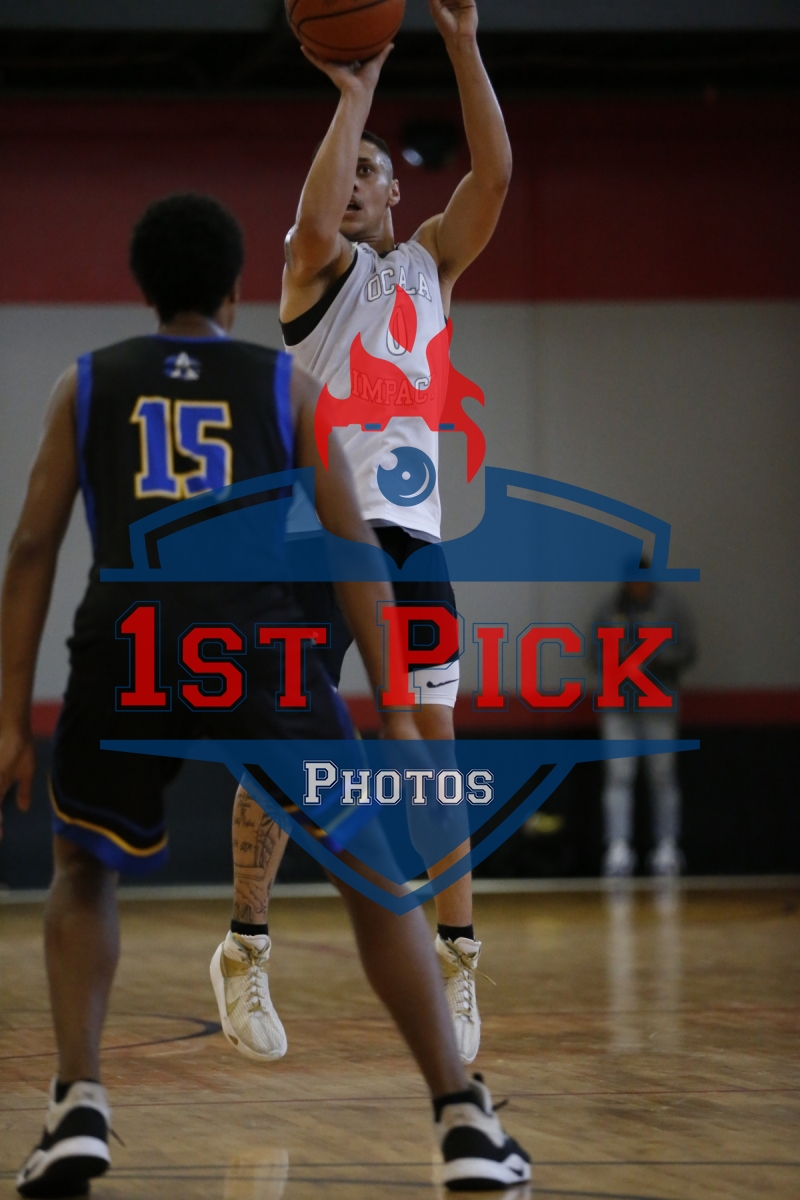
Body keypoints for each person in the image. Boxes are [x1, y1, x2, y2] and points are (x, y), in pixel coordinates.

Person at [0, 194, 530, 1196]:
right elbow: (354, 548)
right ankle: (462, 1115)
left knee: (84, 868)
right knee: (370, 869)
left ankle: (77, 1104)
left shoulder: (87, 383)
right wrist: (395, 706)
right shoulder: (285, 384)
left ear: (144, 289)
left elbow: (31, 547)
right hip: (251, 642)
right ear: (236, 293)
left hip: (129, 640)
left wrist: (7, 719)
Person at [214, 0, 512, 1069]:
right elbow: (309, 218)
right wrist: (354, 93)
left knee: (431, 750)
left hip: (411, 542)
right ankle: (245, 947)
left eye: (368, 170)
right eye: (341, 169)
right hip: (312, 539)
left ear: (396, 193)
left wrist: (463, 41)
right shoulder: (312, 273)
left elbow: (494, 179)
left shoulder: (431, 265)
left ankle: (458, 958)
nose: (349, 182)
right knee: (284, 746)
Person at [593, 576, 697, 877]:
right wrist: (621, 658)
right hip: (619, 705)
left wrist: (655, 654)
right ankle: (618, 847)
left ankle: (667, 846)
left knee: (662, 776)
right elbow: (592, 652)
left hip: (658, 705)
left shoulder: (670, 607)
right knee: (618, 777)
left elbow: (688, 649)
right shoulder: (610, 608)